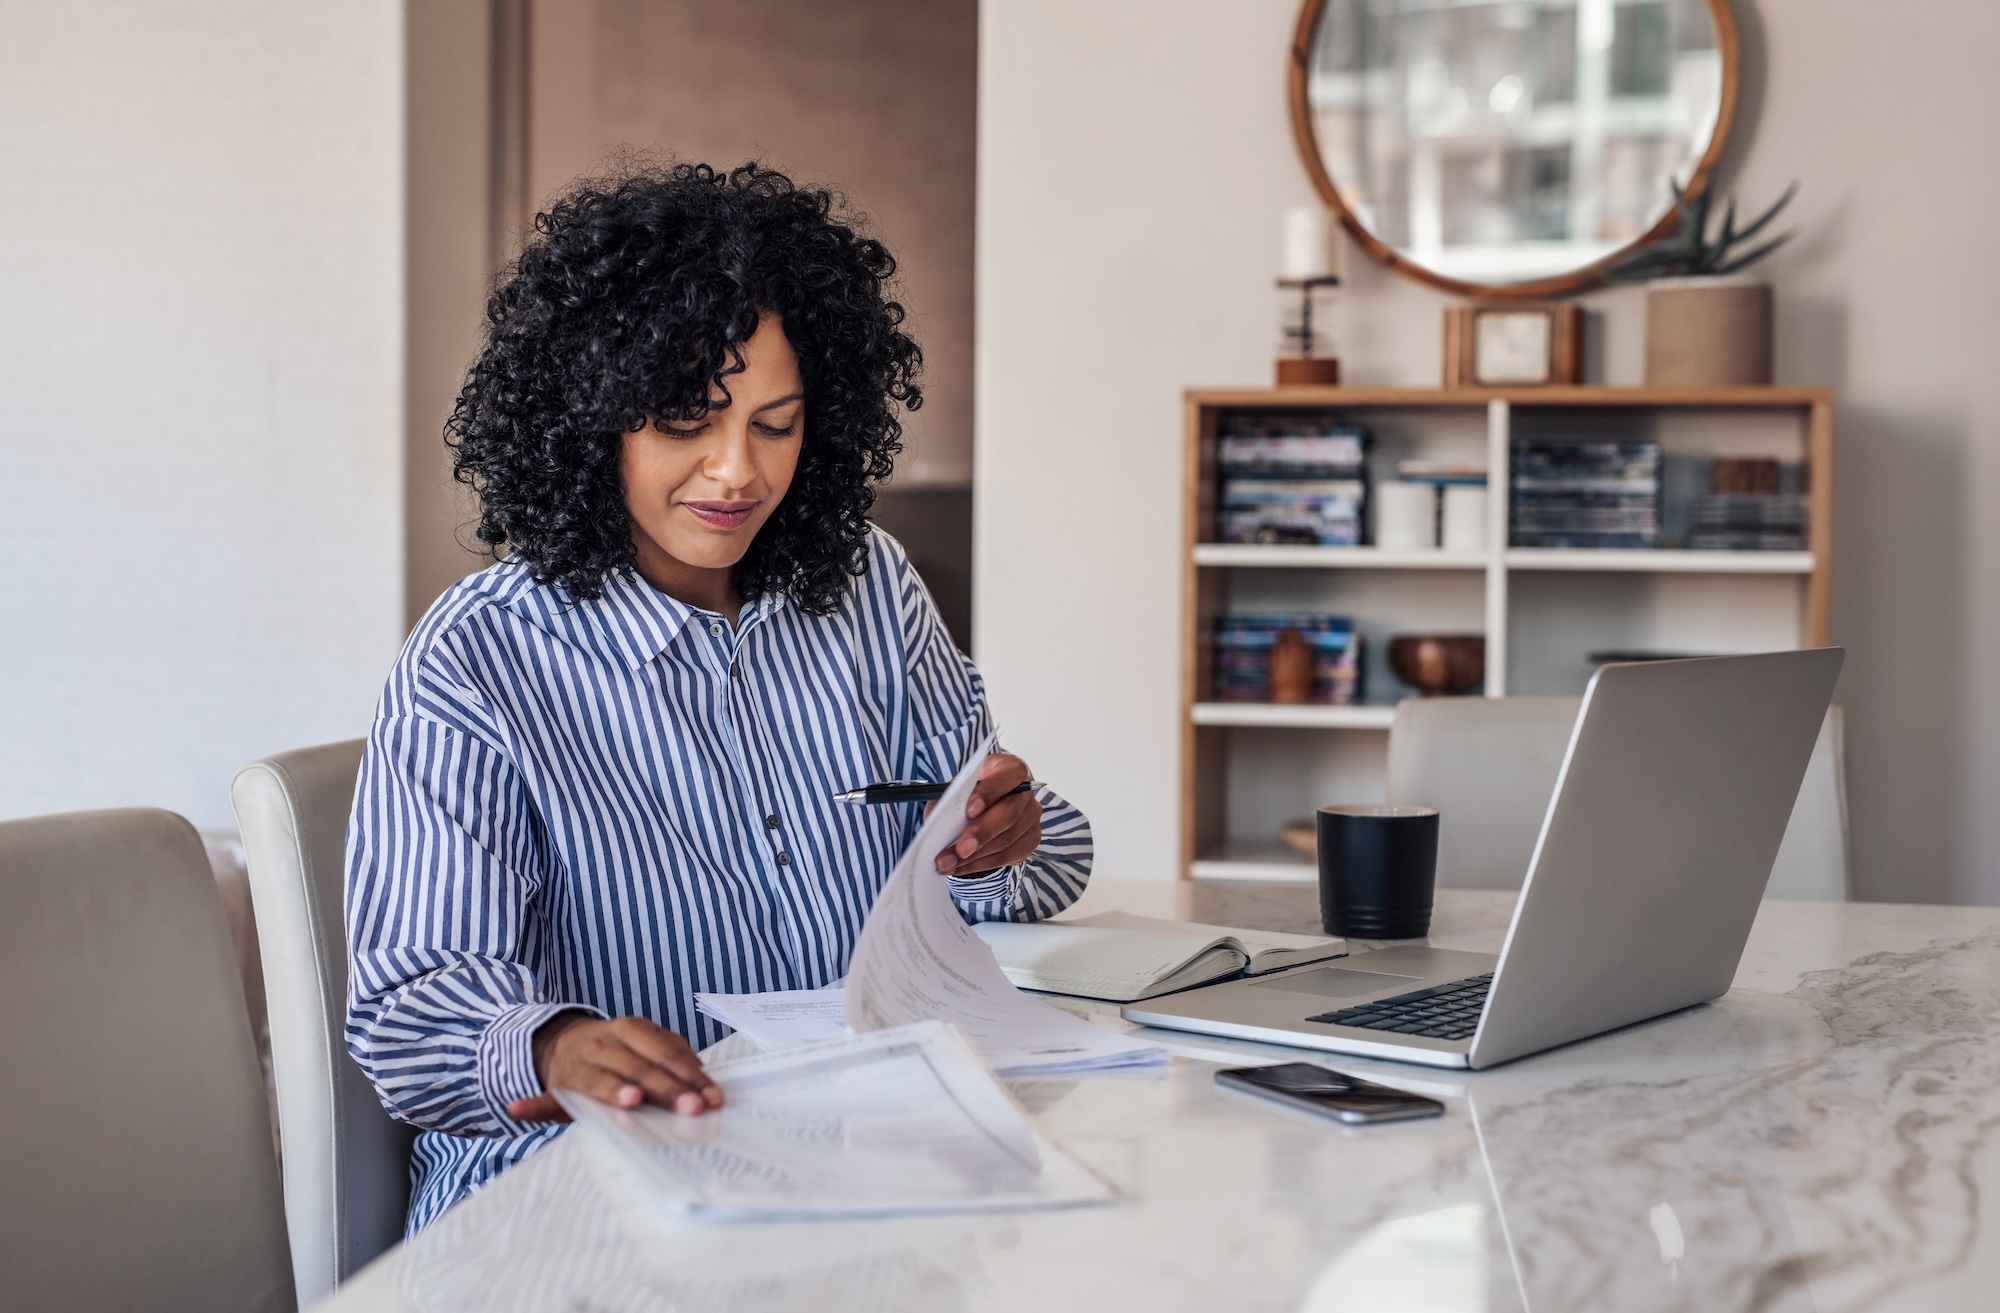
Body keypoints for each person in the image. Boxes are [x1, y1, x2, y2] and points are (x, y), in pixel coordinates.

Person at [344, 163, 1092, 1231]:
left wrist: (1002, 840)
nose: (735, 470)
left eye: (775, 425)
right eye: (686, 420)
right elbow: (412, 1007)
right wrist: (554, 1046)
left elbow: (998, 878)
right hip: (580, 1203)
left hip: (866, 1169)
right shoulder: (480, 655)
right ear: (591, 415)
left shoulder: (870, 587)